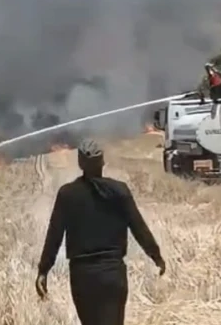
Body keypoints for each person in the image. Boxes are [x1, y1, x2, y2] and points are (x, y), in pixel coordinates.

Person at [35, 139, 166, 325]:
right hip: (113, 274)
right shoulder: (119, 191)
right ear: (102, 162)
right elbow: (139, 228)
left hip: (82, 276)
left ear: (80, 163)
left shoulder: (67, 194)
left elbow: (54, 236)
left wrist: (43, 270)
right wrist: (156, 256)